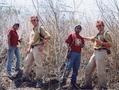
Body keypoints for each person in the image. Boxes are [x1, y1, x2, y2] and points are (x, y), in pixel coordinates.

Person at [81, 20, 112, 90]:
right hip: (95, 53)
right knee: (88, 70)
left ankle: (103, 87)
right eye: (97, 26)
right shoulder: (98, 34)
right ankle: (88, 86)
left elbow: (110, 44)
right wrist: (83, 37)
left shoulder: (106, 33)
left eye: (100, 25)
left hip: (102, 52)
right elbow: (92, 38)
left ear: (103, 26)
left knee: (100, 71)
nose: (98, 27)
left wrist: (101, 43)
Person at [23, 16, 51, 88]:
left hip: (37, 48)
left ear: (37, 20)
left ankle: (39, 80)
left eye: (35, 20)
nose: (33, 21)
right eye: (32, 20)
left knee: (38, 65)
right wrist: (28, 48)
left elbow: (48, 36)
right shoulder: (33, 30)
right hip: (32, 48)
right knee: (26, 62)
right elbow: (31, 40)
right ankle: (25, 77)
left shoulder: (40, 28)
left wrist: (42, 46)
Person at [61, 25, 85, 89]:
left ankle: (73, 82)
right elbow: (67, 42)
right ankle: (63, 81)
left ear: (80, 30)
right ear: (75, 29)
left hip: (78, 54)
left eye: (80, 28)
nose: (78, 29)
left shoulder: (81, 37)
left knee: (76, 68)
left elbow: (83, 45)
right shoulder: (71, 35)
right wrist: (68, 51)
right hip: (72, 53)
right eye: (77, 28)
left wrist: (81, 44)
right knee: (68, 67)